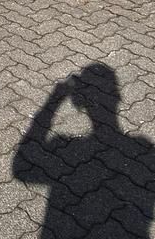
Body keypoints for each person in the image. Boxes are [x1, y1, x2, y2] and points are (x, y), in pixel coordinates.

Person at [13, 63, 155, 238]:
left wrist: (54, 100)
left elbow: (21, 171)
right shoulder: (144, 149)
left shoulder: (63, 144)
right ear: (117, 97)